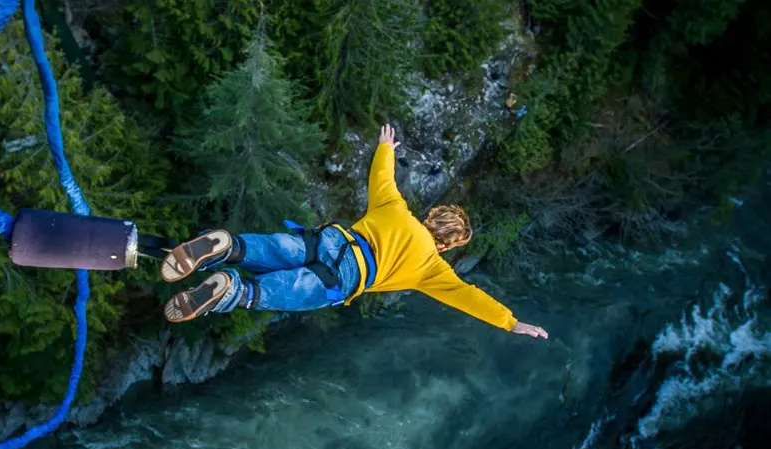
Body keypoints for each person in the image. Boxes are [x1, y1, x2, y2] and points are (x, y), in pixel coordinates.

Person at [161, 124, 548, 339]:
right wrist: (511, 322)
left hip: (332, 239)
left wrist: (386, 147)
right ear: (447, 245)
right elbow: (468, 297)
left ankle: (227, 245)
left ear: (431, 217)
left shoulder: (395, 208)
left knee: (278, 248)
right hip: (347, 277)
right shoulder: (432, 269)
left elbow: (382, 177)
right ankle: (231, 289)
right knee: (271, 292)